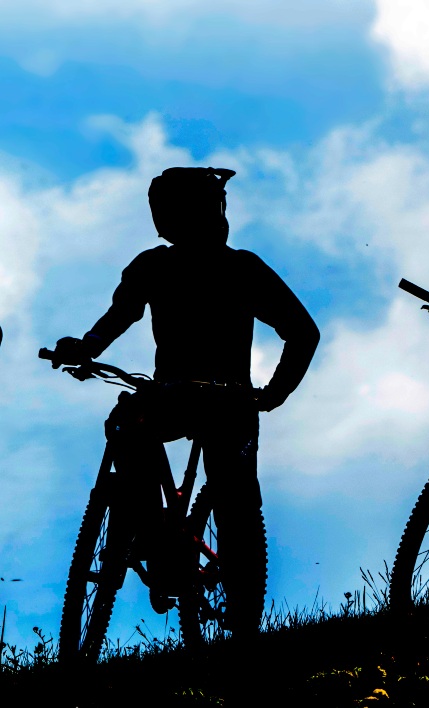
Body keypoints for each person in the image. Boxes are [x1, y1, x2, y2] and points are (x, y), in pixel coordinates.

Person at [52, 167, 320, 631]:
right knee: (227, 493)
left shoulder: (170, 266)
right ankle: (161, 539)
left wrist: (87, 347)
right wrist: (273, 395)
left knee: (139, 432)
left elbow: (118, 317)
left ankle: (156, 537)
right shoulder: (231, 267)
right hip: (223, 402)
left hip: (196, 400)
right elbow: (302, 332)